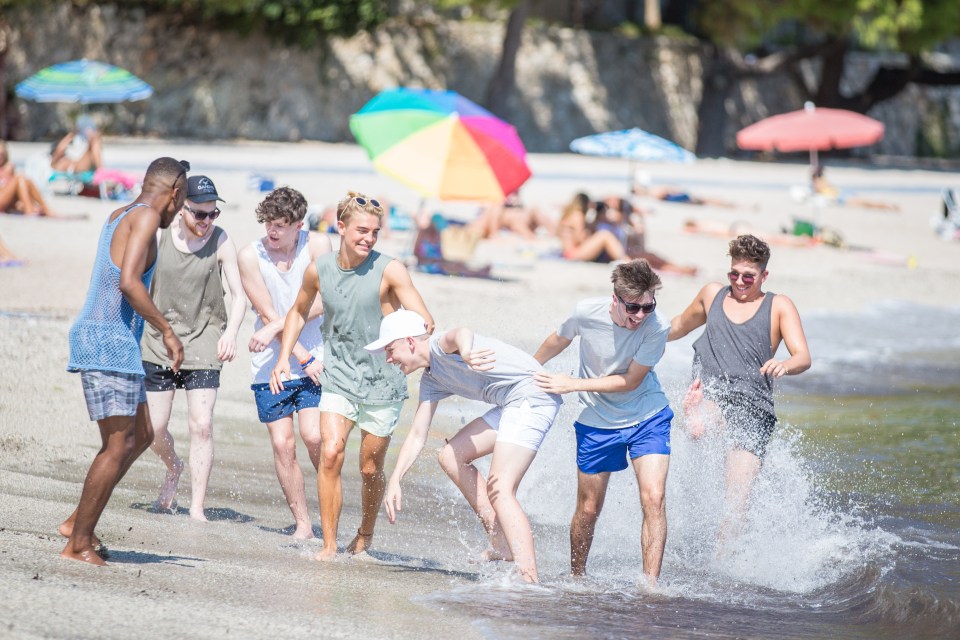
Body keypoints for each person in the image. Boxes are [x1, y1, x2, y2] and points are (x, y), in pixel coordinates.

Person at [269, 191, 434, 561]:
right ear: (340, 228)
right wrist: (283, 359)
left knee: (370, 466)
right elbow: (297, 312)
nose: (369, 239)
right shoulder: (320, 268)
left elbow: (426, 321)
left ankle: (365, 531)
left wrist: (409, 341)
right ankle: (329, 544)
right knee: (331, 452)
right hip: (339, 376)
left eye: (375, 232)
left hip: (383, 382)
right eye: (362, 230)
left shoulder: (390, 270)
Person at [60, 157, 189, 565]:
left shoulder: (122, 213)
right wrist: (166, 330)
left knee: (144, 432)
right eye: (182, 201)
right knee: (117, 445)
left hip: (114, 343)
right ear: (175, 192)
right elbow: (128, 281)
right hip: (106, 341)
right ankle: (78, 542)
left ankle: (77, 521)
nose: (180, 210)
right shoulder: (148, 216)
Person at [369, 310, 562, 582]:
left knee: (500, 488)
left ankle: (529, 580)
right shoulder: (431, 380)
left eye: (390, 350)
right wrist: (395, 480)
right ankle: (501, 543)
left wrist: (468, 352)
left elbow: (460, 332)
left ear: (410, 342)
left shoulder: (439, 347)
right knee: (451, 455)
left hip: (533, 396)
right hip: (512, 403)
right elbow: (416, 435)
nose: (389, 359)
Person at [533, 259, 673, 585]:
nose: (641, 316)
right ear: (615, 299)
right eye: (633, 308)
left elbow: (632, 381)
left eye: (648, 307)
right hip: (597, 420)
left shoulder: (657, 326)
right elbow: (560, 339)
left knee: (653, 498)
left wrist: (573, 384)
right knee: (588, 509)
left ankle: (650, 587)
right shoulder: (585, 312)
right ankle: (577, 578)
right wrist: (530, 368)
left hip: (647, 416)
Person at [668, 234, 811, 547]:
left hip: (753, 408)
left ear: (764, 275)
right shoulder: (711, 295)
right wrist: (639, 333)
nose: (740, 282)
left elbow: (803, 357)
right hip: (712, 392)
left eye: (749, 276)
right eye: (734, 274)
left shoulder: (778, 306)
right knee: (706, 415)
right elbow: (679, 325)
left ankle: (723, 574)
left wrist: (784, 365)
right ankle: (698, 421)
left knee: (737, 504)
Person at [141, 175, 246, 520]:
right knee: (153, 430)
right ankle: (174, 467)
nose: (207, 221)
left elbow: (239, 296)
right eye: (200, 214)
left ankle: (197, 506)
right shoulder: (159, 234)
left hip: (205, 340)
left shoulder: (221, 239)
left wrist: (230, 332)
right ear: (181, 207)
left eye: (212, 214)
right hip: (159, 342)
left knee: (202, 425)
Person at [237, 186, 332, 539]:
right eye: (268, 224)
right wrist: (298, 353)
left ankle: (330, 512)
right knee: (283, 444)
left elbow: (325, 300)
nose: (272, 232)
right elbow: (266, 311)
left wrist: (281, 327)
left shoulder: (318, 246)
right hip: (272, 363)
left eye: (280, 225)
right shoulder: (250, 256)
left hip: (316, 358)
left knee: (313, 437)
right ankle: (304, 524)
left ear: (298, 225)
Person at [0, 141, 58, 216]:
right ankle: (30, 210)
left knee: (27, 181)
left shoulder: (8, 168)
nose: (0, 157)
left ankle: (42, 208)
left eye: (1, 155)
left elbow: (16, 190)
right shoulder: (8, 168)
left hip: (6, 201)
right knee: (20, 178)